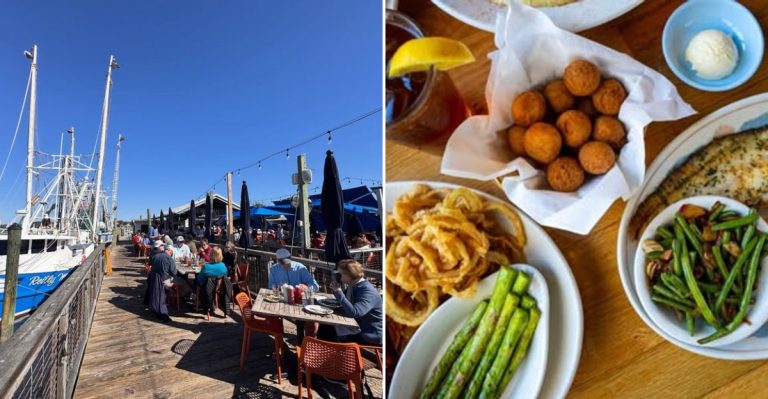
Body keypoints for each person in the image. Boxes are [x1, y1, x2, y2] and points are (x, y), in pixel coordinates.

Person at [323, 259, 382, 345]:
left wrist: (339, 292)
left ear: (348, 275)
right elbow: (344, 302)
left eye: (341, 274)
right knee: (326, 326)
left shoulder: (368, 291)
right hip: (356, 327)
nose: (339, 276)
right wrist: (336, 291)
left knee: (329, 330)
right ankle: (327, 354)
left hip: (369, 335)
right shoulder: (354, 285)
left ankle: (331, 356)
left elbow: (354, 312)